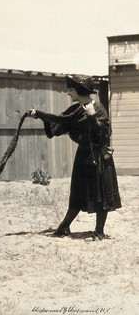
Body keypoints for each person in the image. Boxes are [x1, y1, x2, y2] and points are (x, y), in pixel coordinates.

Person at [28, 74, 121, 240]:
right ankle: (64, 227)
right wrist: (41, 116)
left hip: (98, 156)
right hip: (83, 155)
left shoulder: (97, 108)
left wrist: (92, 117)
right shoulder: (75, 110)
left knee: (100, 193)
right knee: (77, 192)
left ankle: (99, 231)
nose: (68, 93)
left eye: (70, 90)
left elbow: (103, 135)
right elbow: (58, 125)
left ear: (78, 90)